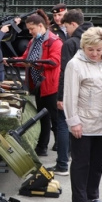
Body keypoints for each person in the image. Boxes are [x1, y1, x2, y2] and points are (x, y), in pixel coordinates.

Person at [63, 27, 102, 202]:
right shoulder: (75, 64)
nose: (95, 53)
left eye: (99, 49)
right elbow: (70, 95)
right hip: (84, 121)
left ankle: (93, 195)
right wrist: (73, 121)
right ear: (84, 46)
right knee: (81, 162)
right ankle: (79, 200)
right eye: (91, 49)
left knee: (97, 162)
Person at [18, 10, 63, 158]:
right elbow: (25, 58)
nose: (30, 32)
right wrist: (12, 60)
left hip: (49, 86)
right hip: (38, 85)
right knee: (43, 116)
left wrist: (35, 64)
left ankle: (60, 146)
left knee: (54, 118)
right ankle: (42, 147)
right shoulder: (33, 41)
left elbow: (55, 62)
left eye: (32, 29)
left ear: (40, 25)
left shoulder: (54, 41)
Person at [54, 8, 92, 175]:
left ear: (73, 24)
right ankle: (80, 161)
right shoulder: (93, 40)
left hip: (73, 90)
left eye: (67, 27)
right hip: (89, 91)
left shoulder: (70, 43)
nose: (66, 31)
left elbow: (65, 71)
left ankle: (63, 164)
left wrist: (61, 96)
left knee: (63, 123)